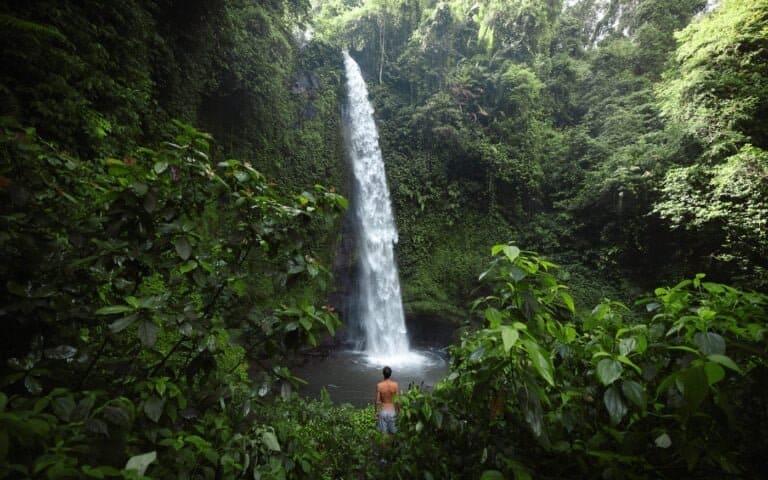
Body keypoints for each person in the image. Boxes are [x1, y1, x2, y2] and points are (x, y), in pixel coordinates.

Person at [375, 366, 399, 443]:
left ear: (383, 374)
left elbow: (377, 401)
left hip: (383, 410)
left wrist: (376, 412)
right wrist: (399, 411)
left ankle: (384, 453)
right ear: (390, 374)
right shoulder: (395, 385)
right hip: (392, 411)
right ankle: (391, 452)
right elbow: (398, 401)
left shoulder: (379, 385)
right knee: (392, 433)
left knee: (383, 434)